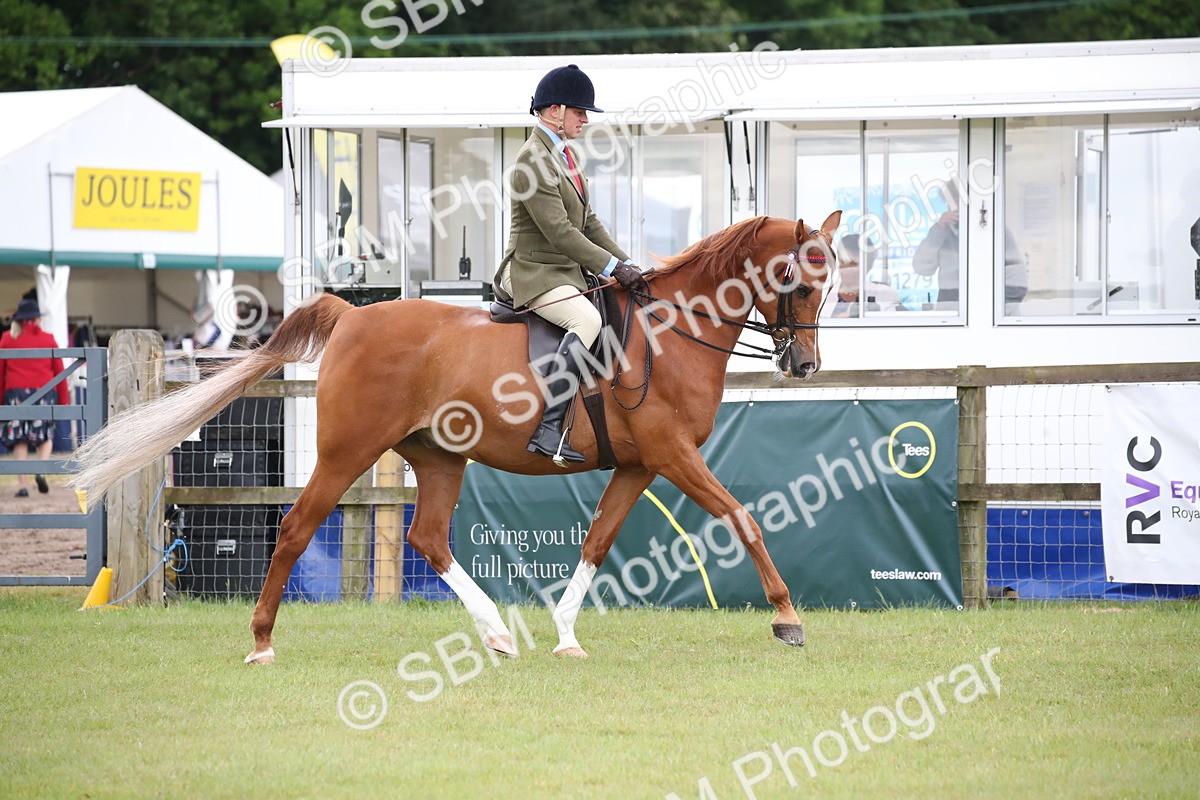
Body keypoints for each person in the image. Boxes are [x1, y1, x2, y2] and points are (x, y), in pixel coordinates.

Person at [492, 64, 647, 466]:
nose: (585, 119)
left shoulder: (565, 155)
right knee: (588, 321)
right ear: (554, 111)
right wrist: (612, 267)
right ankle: (549, 428)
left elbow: (588, 221)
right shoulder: (531, 161)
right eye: (580, 111)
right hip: (532, 270)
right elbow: (560, 232)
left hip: (564, 270)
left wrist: (629, 265)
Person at [912, 185, 1028, 311]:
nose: (954, 207)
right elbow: (921, 268)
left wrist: (990, 313)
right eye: (949, 203)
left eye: (958, 201)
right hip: (953, 321)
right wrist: (939, 229)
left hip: (993, 322)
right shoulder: (942, 233)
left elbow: (1017, 284)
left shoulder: (998, 232)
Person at [1, 297, 70, 497]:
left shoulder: (7, 339)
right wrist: (64, 401)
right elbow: (60, 373)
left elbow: (0, 372)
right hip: (44, 392)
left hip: (16, 394)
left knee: (19, 440)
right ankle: (40, 471)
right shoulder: (48, 339)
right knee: (44, 437)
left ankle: (22, 486)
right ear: (37, 319)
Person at [830, 234, 901, 318]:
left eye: (853, 264)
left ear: (868, 265)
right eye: (842, 262)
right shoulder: (824, 294)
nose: (847, 269)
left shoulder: (886, 294)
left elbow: (891, 327)